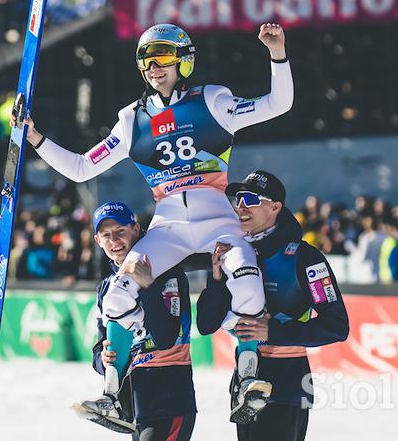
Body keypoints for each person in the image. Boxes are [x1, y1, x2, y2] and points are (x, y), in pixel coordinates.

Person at [23, 22, 292, 422]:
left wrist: (278, 54)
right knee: (116, 295)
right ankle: (113, 393)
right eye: (147, 60)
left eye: (164, 57)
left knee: (247, 279)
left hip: (217, 221)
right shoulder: (132, 120)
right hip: (168, 228)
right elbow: (81, 168)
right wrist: (35, 138)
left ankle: (247, 375)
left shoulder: (213, 100)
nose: (154, 67)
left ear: (184, 61)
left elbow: (278, 103)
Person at [197, 171, 350, 439]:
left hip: (288, 383)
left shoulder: (304, 257)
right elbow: (206, 325)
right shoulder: (233, 254)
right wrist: (217, 279)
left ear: (275, 207)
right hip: (244, 383)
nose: (240, 206)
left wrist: (272, 332)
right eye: (238, 198)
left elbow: (337, 326)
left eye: (250, 198)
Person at [75, 202, 197, 439]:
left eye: (121, 232)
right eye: (106, 235)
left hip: (169, 400)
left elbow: (165, 338)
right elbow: (99, 349)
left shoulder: (168, 273)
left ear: (136, 230)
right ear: (98, 241)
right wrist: (103, 359)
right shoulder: (106, 288)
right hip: (134, 406)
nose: (115, 241)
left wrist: (148, 286)